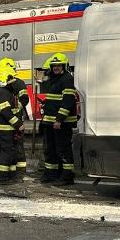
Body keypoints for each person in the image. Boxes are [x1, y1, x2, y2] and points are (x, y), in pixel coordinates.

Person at [39, 53, 77, 185]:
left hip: (61, 123)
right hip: (50, 122)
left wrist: (59, 120)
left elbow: (68, 102)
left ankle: (67, 176)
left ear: (64, 66)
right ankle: (51, 174)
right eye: (54, 65)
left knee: (63, 149)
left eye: (59, 65)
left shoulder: (67, 79)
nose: (56, 68)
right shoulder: (53, 79)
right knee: (51, 149)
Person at [0, 67, 23, 185]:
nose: (14, 81)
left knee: (10, 151)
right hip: (6, 129)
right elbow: (6, 111)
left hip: (7, 129)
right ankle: (1, 177)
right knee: (7, 152)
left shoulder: (4, 91)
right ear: (6, 79)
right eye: (12, 78)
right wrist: (18, 124)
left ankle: (10, 175)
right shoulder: (3, 92)